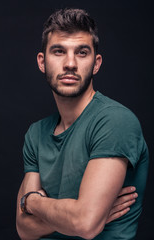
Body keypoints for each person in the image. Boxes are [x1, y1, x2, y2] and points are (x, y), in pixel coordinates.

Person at [16, 8, 149, 240]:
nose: (70, 63)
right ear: (42, 61)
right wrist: (76, 218)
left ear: (96, 63)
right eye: (58, 51)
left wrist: (32, 201)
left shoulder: (114, 121)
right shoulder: (36, 134)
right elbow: (24, 228)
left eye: (82, 52)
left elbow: (85, 224)